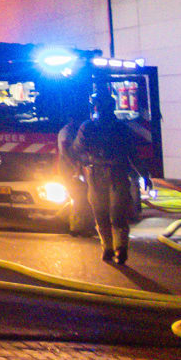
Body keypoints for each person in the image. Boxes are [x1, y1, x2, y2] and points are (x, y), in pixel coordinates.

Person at [65, 89, 144, 264]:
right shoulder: (88, 127)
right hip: (96, 173)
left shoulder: (120, 128)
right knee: (100, 213)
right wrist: (85, 162)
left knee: (117, 213)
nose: (101, 109)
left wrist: (144, 174)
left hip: (117, 174)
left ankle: (120, 248)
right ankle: (108, 248)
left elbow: (133, 154)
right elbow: (75, 151)